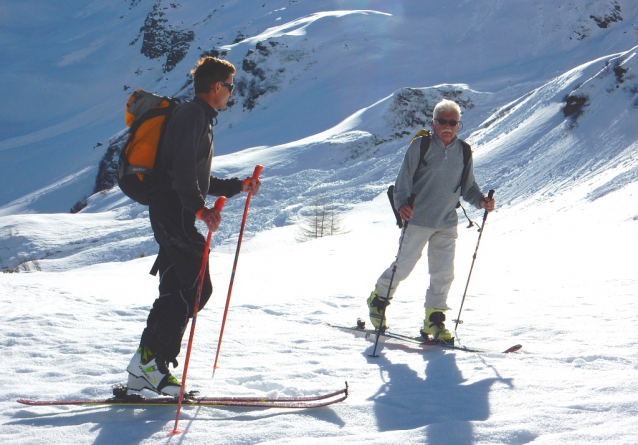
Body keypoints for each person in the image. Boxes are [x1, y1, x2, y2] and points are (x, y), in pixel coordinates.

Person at [126, 57, 261, 396]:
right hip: (173, 210)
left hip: (173, 210)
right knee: (196, 289)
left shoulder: (197, 117)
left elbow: (196, 176)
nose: (231, 93)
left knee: (178, 290)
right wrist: (200, 210)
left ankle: (145, 367)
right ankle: (148, 365)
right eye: (230, 86)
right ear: (216, 86)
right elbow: (183, 173)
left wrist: (237, 187)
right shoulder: (193, 115)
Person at [367, 99, 494, 342]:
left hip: (446, 221)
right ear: (433, 123)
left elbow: (468, 188)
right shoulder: (420, 146)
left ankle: (434, 320)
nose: (447, 126)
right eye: (442, 121)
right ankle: (378, 299)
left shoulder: (464, 151)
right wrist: (402, 204)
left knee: (443, 272)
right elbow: (402, 183)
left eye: (453, 122)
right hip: (417, 218)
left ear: (458, 125)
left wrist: (481, 202)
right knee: (403, 265)